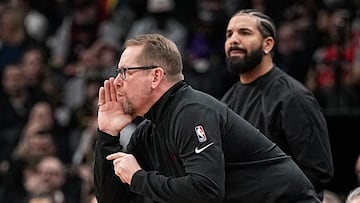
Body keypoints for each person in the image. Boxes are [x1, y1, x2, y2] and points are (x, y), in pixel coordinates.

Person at [93, 33, 321, 203]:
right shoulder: (150, 129)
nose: (117, 81)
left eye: (125, 72)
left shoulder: (191, 110)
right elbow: (113, 200)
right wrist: (107, 135)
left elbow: (207, 191)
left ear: (155, 76)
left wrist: (139, 178)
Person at [221, 9, 334, 200]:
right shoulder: (227, 101)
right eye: (229, 34)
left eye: (245, 32)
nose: (234, 39)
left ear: (268, 44)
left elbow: (318, 171)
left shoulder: (293, 97)